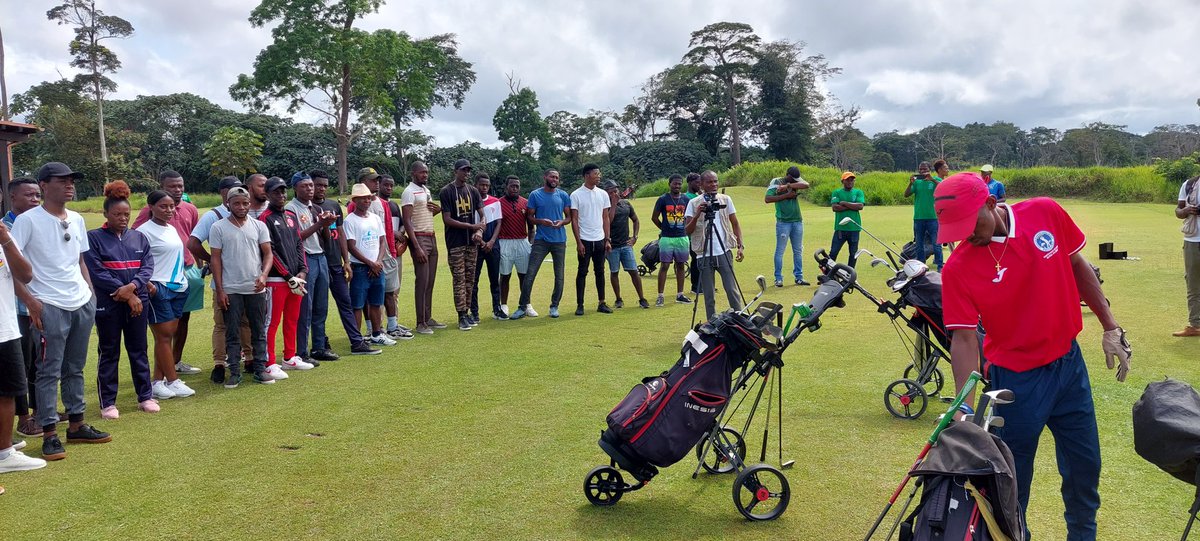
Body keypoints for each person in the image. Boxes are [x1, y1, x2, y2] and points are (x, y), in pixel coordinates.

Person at [937, 172, 1132, 541]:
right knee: (1011, 480)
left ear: (991, 204)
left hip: (1069, 367)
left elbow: (1079, 267)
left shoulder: (1045, 212)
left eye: (970, 224)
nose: (967, 235)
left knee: (1084, 467)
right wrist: (964, 407)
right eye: (956, 229)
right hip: (1017, 382)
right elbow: (963, 339)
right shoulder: (958, 268)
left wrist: (1110, 326)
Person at [11, 162, 110, 461]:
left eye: (72, 180)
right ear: (44, 185)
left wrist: (90, 292)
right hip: (48, 303)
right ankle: (50, 432)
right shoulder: (28, 221)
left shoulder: (77, 219)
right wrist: (31, 301)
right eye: (62, 180)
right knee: (48, 370)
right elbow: (12, 268)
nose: (69, 185)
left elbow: (80, 260)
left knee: (75, 367)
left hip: (80, 301)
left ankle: (77, 423)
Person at [85, 181, 158, 418]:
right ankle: (108, 403)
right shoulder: (93, 238)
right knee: (109, 351)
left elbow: (147, 267)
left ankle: (145, 396)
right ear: (105, 213)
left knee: (139, 349)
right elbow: (96, 271)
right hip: (109, 302)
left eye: (127, 214)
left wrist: (133, 288)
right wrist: (124, 292)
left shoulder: (139, 237)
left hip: (139, 300)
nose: (123, 218)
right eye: (117, 214)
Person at [133, 171, 202, 376]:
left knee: (181, 320)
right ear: (162, 187)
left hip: (186, 271)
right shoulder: (149, 215)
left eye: (180, 186)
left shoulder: (190, 209)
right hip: (159, 277)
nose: (178, 189)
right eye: (172, 186)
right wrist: (146, 281)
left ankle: (175, 362)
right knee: (163, 330)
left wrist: (197, 266)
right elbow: (137, 244)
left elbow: (192, 239)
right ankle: (167, 376)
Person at [187, 176, 254, 384]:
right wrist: (212, 260)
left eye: (242, 191)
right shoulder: (214, 216)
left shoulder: (247, 215)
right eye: (233, 191)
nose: (238, 195)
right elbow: (193, 242)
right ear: (224, 193)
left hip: (245, 279)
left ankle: (249, 358)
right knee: (222, 323)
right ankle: (219, 363)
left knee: (245, 320)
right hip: (223, 281)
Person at [0, 179, 46, 476]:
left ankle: (3, 444)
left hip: (6, 325)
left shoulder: (4, 232)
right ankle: (4, 455)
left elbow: (24, 275)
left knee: (8, 389)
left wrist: (5, 239)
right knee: (6, 391)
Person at [210, 187, 276, 386]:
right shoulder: (218, 227)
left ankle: (259, 370)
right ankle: (234, 373)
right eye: (236, 203)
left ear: (249, 204)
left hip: (255, 287)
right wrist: (220, 289)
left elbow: (268, 254)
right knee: (232, 332)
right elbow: (215, 260)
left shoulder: (258, 226)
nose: (241, 207)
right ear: (228, 203)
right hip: (231, 289)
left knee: (258, 330)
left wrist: (264, 275)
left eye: (245, 203)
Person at [311, 171, 379, 355]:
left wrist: (346, 260)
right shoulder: (308, 209)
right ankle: (320, 343)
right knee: (319, 306)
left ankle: (357, 342)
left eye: (325, 185)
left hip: (335, 263)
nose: (322, 188)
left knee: (346, 303)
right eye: (318, 185)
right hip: (317, 262)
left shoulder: (333, 205)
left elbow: (340, 233)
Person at [260, 177, 315, 379]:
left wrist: (302, 270)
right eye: (276, 192)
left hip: (296, 278)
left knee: (292, 318)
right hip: (276, 280)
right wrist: (287, 275)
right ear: (267, 195)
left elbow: (299, 244)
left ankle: (290, 357)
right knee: (272, 322)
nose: (281, 196)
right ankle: (269, 362)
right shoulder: (264, 218)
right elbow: (270, 252)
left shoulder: (290, 215)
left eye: (283, 192)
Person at [285, 172, 339, 365]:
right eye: (305, 186)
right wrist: (320, 224)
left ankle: (319, 347)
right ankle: (301, 351)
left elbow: (325, 238)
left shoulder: (314, 207)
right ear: (295, 188)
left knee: (321, 306)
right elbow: (295, 237)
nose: (310, 189)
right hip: (305, 260)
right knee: (304, 308)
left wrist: (326, 223)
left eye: (311, 186)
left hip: (321, 257)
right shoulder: (290, 209)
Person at [510, 170, 572, 320]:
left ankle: (554, 306)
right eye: (552, 176)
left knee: (559, 276)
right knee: (530, 274)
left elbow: (569, 217)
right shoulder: (535, 195)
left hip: (559, 240)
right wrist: (541, 221)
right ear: (545, 177)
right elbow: (530, 217)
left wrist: (562, 222)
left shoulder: (563, 195)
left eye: (557, 177)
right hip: (541, 240)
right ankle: (522, 307)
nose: (554, 179)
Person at [684, 170, 744, 319]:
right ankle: (712, 323)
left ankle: (740, 321)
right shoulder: (693, 203)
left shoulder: (725, 199)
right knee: (709, 295)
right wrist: (698, 214)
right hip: (703, 254)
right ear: (702, 184)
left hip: (723, 251)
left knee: (732, 290)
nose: (714, 185)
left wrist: (740, 246)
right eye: (710, 182)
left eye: (716, 181)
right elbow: (687, 231)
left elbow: (735, 223)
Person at [345, 183, 394, 346]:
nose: (367, 201)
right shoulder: (350, 220)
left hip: (377, 267)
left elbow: (382, 240)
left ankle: (376, 333)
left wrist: (378, 262)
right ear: (355, 200)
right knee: (358, 305)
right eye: (363, 198)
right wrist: (370, 263)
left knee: (376, 302)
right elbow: (351, 246)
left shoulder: (375, 218)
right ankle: (357, 339)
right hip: (360, 268)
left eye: (369, 198)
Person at [439, 159, 485, 331]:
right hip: (456, 243)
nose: (466, 173)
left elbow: (483, 215)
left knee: (470, 279)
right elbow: (447, 219)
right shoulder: (447, 191)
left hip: (471, 243)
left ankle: (467, 312)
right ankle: (461, 316)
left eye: (468, 170)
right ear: (455, 171)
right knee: (459, 279)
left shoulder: (473, 191)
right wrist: (471, 227)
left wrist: (479, 231)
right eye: (463, 170)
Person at [401, 161, 445, 334]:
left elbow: (427, 212)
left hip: (431, 236)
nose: (425, 175)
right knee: (422, 280)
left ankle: (428, 317)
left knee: (431, 280)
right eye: (421, 173)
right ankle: (420, 323)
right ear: (413, 173)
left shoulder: (426, 191)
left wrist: (437, 210)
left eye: (426, 172)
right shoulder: (408, 192)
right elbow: (407, 220)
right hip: (419, 237)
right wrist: (416, 246)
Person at [570, 163, 612, 316]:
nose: (599, 176)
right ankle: (580, 305)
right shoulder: (576, 195)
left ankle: (602, 302)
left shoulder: (602, 194)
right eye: (596, 174)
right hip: (585, 240)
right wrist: (579, 242)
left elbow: (605, 217)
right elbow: (574, 220)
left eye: (599, 174)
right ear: (587, 175)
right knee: (582, 271)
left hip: (600, 238)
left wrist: (607, 239)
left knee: (600, 271)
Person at [376, 174, 412, 339]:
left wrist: (401, 234)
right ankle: (379, 325)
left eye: (391, 185)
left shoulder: (394, 205)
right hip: (380, 254)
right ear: (379, 185)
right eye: (386, 185)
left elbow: (404, 224)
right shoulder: (375, 205)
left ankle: (394, 322)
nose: (389, 188)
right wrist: (394, 233)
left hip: (395, 252)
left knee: (394, 290)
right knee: (380, 291)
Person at [604, 180, 648, 309]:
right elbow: (609, 221)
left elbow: (635, 220)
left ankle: (642, 298)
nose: (614, 192)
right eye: (611, 191)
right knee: (614, 272)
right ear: (606, 192)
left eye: (615, 190)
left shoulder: (626, 204)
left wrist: (634, 237)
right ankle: (618, 299)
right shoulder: (604, 206)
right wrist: (613, 204)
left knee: (634, 271)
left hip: (625, 244)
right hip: (612, 246)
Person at [650, 174, 693, 307]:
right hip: (667, 238)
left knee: (680, 265)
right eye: (675, 183)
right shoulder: (663, 199)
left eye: (679, 184)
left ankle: (680, 294)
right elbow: (654, 217)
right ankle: (660, 296)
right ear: (669, 184)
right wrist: (663, 228)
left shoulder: (686, 199)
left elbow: (689, 217)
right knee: (664, 266)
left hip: (682, 237)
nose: (677, 186)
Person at [765, 166, 810, 287]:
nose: (796, 180)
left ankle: (799, 277)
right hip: (783, 222)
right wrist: (786, 196)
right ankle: (778, 278)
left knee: (798, 250)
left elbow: (806, 185)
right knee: (780, 251)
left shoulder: (794, 182)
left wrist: (788, 186)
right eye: (793, 179)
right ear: (787, 175)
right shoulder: (776, 182)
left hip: (797, 221)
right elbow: (767, 199)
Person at [496, 176, 533, 318]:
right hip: (504, 242)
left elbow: (531, 227)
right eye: (512, 186)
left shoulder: (525, 203)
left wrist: (530, 243)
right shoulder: (498, 203)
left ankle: (526, 304)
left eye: (517, 186)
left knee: (524, 276)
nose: (515, 188)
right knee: (505, 275)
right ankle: (503, 305)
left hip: (522, 241)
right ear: (506, 187)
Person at [471, 173, 505, 320]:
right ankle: (474, 312)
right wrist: (482, 242)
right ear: (475, 185)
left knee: (494, 279)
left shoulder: (495, 201)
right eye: (482, 185)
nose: (484, 187)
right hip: (475, 245)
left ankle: (497, 309)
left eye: (487, 185)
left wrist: (491, 242)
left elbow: (498, 223)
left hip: (493, 245)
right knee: (474, 280)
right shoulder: (470, 201)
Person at [905, 161, 943, 270]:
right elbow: (906, 195)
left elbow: (943, 187)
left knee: (936, 244)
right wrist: (911, 183)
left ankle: (940, 267)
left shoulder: (936, 180)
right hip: (918, 217)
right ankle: (921, 266)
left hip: (933, 218)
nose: (922, 171)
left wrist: (932, 179)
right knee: (919, 244)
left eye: (925, 169)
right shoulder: (917, 182)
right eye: (920, 169)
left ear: (929, 170)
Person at [1176, 174, 1200, 337]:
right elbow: (1178, 210)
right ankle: (1195, 324)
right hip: (1192, 238)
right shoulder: (1189, 184)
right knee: (1193, 283)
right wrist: (1185, 210)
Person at [829, 172, 865, 268]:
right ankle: (827, 274)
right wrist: (852, 205)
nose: (850, 182)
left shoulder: (858, 192)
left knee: (853, 254)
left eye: (852, 180)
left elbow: (860, 206)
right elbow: (835, 208)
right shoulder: (837, 192)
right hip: (840, 228)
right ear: (842, 181)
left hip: (854, 228)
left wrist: (844, 203)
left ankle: (850, 275)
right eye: (847, 180)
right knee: (833, 252)